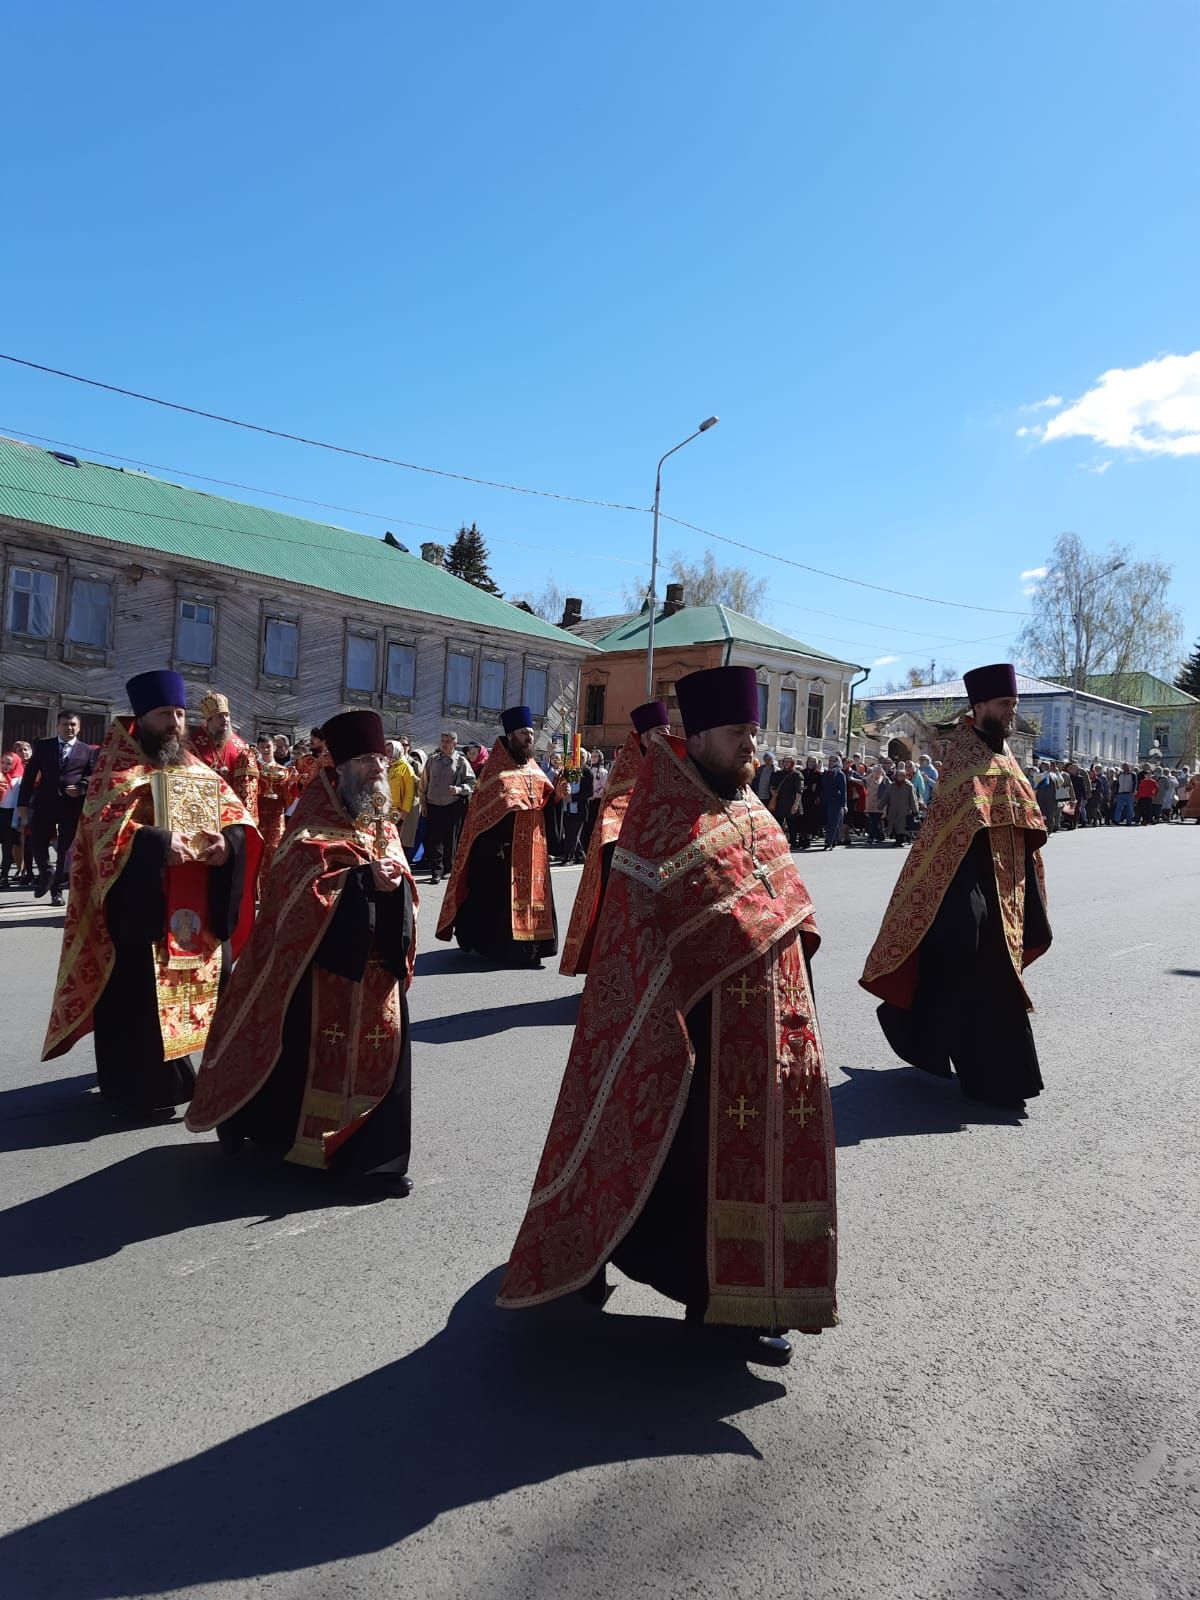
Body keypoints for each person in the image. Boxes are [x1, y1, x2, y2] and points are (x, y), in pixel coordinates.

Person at [498, 665, 837, 1366]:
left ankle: (756, 1296)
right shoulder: (657, 820)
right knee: (687, 1177)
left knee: (758, 1172)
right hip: (697, 1040)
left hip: (775, 1034)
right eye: (741, 732)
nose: (753, 745)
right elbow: (634, 949)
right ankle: (715, 1303)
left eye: (754, 731)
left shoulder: (755, 809)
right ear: (701, 734)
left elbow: (788, 908)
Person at [187, 711, 416, 1188]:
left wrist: (396, 882)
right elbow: (292, 883)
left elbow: (401, 880)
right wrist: (359, 880)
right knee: (306, 1058)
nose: (378, 769)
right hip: (321, 972)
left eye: (380, 758)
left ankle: (374, 1158)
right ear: (341, 768)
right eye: (366, 761)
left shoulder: (384, 824)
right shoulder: (310, 822)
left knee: (383, 1060)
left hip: (376, 974)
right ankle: (301, 1147)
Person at [41, 671, 261, 1115]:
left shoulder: (194, 766)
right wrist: (159, 844)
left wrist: (228, 843)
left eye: (180, 713)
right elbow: (101, 834)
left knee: (186, 988)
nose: (176, 722)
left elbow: (237, 818)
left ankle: (180, 1072)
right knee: (136, 995)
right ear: (142, 719)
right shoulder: (114, 767)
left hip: (191, 902)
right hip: (138, 903)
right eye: (165, 714)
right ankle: (133, 1087)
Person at [861, 663, 1052, 1110]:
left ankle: (1001, 1076)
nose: (1011, 712)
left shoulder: (1006, 755)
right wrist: (967, 894)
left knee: (995, 978)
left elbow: (1025, 819)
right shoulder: (963, 755)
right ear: (980, 705)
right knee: (969, 966)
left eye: (1014, 704)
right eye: (1005, 704)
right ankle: (986, 1077)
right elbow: (951, 829)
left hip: (1009, 884)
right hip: (967, 883)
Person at [436, 706, 562, 967]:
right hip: (501, 849)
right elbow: (481, 813)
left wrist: (559, 796)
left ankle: (534, 947)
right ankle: (499, 948)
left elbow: (545, 800)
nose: (529, 738)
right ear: (510, 735)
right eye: (523, 733)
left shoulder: (534, 768)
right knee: (497, 900)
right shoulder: (494, 771)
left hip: (533, 848)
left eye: (530, 733)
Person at [560, 701, 669, 977]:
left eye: (666, 730)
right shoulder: (626, 770)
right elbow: (615, 809)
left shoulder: (674, 765)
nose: (663, 736)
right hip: (628, 859)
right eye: (657, 731)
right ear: (643, 737)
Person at [14, 712, 98, 906]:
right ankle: (46, 872)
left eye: (73, 725)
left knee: (64, 849)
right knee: (36, 842)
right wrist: (22, 804)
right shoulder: (44, 746)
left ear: (79, 727)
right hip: (45, 802)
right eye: (65, 724)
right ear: (58, 727)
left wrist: (82, 787)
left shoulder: (87, 750)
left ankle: (57, 890)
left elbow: (93, 775)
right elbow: (29, 776)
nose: (69, 728)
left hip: (71, 805)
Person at [188, 691, 258, 824]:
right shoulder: (192, 744)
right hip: (199, 808)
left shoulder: (240, 747)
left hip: (229, 812)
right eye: (220, 716)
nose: (225, 719)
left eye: (227, 715)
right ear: (209, 720)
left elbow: (247, 787)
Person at [418, 730, 475, 885]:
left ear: (455, 744)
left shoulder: (461, 762)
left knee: (450, 839)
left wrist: (459, 789)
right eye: (442, 741)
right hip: (433, 804)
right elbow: (423, 783)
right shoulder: (432, 760)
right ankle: (436, 871)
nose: (444, 744)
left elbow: (472, 783)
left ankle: (447, 868)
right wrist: (423, 803)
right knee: (434, 839)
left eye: (448, 741)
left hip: (452, 805)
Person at [254, 736, 296, 875]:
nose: (266, 750)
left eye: (268, 747)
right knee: (255, 848)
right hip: (257, 813)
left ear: (274, 747)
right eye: (263, 747)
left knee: (273, 849)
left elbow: (288, 798)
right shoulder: (253, 768)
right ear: (258, 748)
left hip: (275, 815)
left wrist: (292, 782)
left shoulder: (282, 771)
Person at [558, 750, 594, 865]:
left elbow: (589, 792)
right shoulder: (568, 770)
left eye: (583, 756)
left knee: (573, 835)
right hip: (566, 808)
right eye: (578, 756)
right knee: (570, 833)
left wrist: (572, 798)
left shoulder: (587, 772)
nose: (580, 758)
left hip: (579, 809)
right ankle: (581, 856)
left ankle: (568, 858)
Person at [0, 749, 26, 889]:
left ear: (15, 764)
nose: (5, 766)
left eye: (8, 763)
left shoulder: (18, 780)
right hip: (0, 812)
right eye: (3, 762)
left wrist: (20, 820)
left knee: (7, 847)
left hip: (10, 816)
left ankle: (4, 876)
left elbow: (19, 801)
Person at [883, 768, 919, 845]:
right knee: (894, 825)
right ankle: (897, 840)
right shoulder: (892, 786)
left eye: (902, 775)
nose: (900, 777)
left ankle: (901, 841)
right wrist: (880, 805)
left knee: (902, 826)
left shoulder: (909, 786)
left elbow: (913, 798)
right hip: (893, 809)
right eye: (899, 775)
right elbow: (886, 796)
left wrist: (915, 810)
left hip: (904, 809)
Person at [386, 740, 416, 825]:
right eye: (386, 751)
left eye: (389, 751)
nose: (386, 753)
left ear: (396, 751)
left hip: (397, 811)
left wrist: (404, 812)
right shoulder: (387, 766)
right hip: (385, 808)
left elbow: (410, 791)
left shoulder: (406, 767)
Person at [822, 755, 847, 851]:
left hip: (836, 801)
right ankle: (833, 840)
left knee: (833, 823)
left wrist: (845, 805)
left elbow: (843, 790)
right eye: (830, 760)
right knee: (828, 823)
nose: (831, 762)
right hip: (826, 801)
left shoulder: (840, 774)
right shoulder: (826, 773)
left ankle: (829, 843)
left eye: (834, 761)